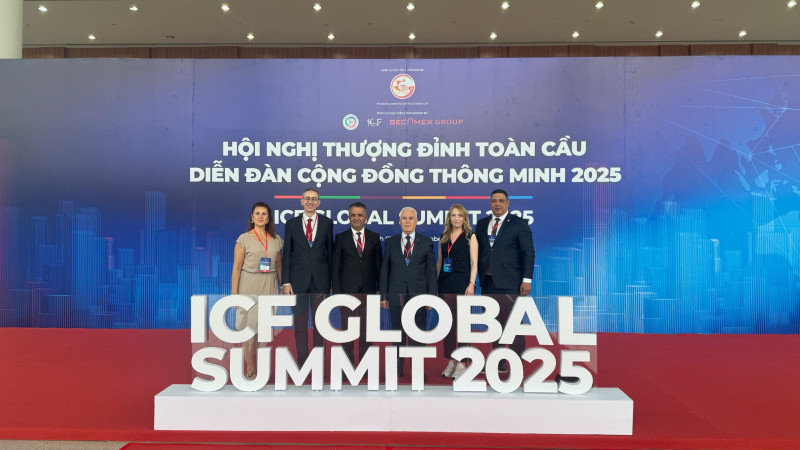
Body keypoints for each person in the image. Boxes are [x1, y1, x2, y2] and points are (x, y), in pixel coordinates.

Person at [475, 189, 535, 373]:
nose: (497, 204)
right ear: (490, 203)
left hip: (511, 283)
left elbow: (528, 253)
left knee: (514, 325)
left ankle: (517, 365)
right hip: (487, 282)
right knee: (494, 325)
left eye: (501, 200)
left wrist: (527, 279)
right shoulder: (482, 224)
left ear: (508, 203)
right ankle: (499, 363)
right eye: (494, 201)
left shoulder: (519, 223)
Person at [379, 207, 437, 377]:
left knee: (417, 333)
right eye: (404, 218)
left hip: (419, 295)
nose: (407, 221)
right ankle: (397, 368)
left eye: (411, 218)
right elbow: (385, 270)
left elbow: (431, 272)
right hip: (395, 294)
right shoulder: (390, 242)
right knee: (397, 332)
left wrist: (431, 297)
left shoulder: (426, 242)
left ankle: (416, 368)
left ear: (416, 221)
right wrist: (383, 295)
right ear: (399, 221)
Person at [281, 188, 334, 366]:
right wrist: (286, 281)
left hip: (321, 281)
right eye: (307, 199)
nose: (310, 202)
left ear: (319, 202)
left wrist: (332, 281)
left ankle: (319, 363)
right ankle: (302, 362)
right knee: (300, 325)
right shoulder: (291, 224)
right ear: (301, 201)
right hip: (297, 282)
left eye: (314, 199)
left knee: (320, 325)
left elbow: (330, 253)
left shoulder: (327, 223)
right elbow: (287, 254)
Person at [231, 201, 283, 379]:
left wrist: (283, 286)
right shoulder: (243, 239)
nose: (260, 216)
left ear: (269, 218)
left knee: (265, 332)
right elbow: (236, 268)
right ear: (252, 217)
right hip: (248, 286)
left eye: (264, 214)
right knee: (248, 331)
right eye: (257, 213)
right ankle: (250, 368)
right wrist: (234, 295)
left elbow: (279, 265)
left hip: (269, 286)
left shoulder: (276, 239)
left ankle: (262, 369)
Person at [331, 202, 383, 366]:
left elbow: (379, 266)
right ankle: (346, 364)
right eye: (353, 215)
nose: (356, 218)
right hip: (347, 292)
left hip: (369, 291)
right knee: (347, 331)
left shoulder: (374, 237)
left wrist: (380, 290)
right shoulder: (341, 238)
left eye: (360, 215)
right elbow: (335, 268)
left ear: (365, 218)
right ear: (349, 217)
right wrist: (338, 294)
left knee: (367, 330)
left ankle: (365, 365)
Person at [437, 204, 478, 380]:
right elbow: (440, 262)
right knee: (448, 325)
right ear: (449, 218)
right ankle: (452, 360)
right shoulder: (443, 236)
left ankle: (462, 362)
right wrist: (435, 285)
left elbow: (474, 263)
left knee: (463, 324)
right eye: (453, 215)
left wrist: (472, 284)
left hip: (463, 284)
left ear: (464, 218)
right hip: (445, 283)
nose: (456, 218)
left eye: (459, 215)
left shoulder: (470, 236)